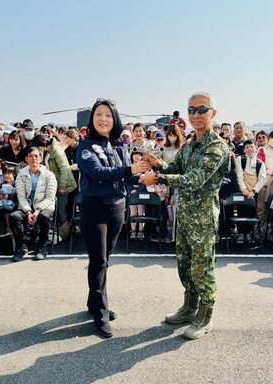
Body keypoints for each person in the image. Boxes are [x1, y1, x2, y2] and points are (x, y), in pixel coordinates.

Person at [144, 92, 229, 340]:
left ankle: (206, 315)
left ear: (214, 113)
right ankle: (190, 308)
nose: (196, 114)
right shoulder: (190, 144)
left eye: (202, 109)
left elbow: (194, 180)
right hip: (185, 215)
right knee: (185, 265)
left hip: (202, 218)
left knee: (203, 269)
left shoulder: (217, 147)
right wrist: (160, 165)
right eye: (191, 109)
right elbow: (176, 169)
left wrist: (159, 178)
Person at [77, 98, 150, 338]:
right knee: (98, 261)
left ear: (114, 119)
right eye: (99, 114)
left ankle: (93, 302)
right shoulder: (85, 145)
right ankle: (100, 313)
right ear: (92, 118)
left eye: (108, 115)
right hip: (94, 208)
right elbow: (97, 172)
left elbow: (126, 178)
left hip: (117, 207)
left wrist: (141, 176)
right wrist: (130, 170)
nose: (103, 119)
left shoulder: (120, 146)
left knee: (105, 260)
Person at [11, 146, 57, 262]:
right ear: (26, 158)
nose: (34, 159)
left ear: (40, 159)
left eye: (36, 156)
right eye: (30, 156)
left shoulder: (49, 175)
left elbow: (50, 197)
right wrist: (28, 211)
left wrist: (37, 211)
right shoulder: (21, 174)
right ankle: (21, 247)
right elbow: (21, 197)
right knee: (14, 217)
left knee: (44, 216)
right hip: (27, 206)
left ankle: (42, 246)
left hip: (44, 206)